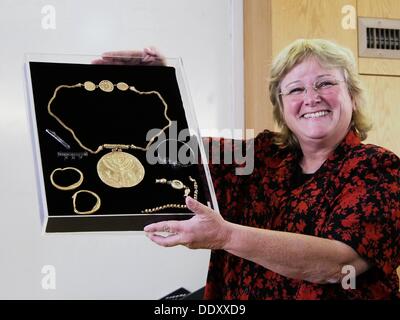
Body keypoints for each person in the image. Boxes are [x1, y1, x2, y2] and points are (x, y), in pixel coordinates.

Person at [96, 39, 400, 299]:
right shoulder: (259, 155)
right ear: (281, 108)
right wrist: (153, 90)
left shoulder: (379, 168)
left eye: (326, 83)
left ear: (354, 98)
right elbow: (163, 149)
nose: (311, 97)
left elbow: (339, 265)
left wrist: (226, 236)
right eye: (295, 89)